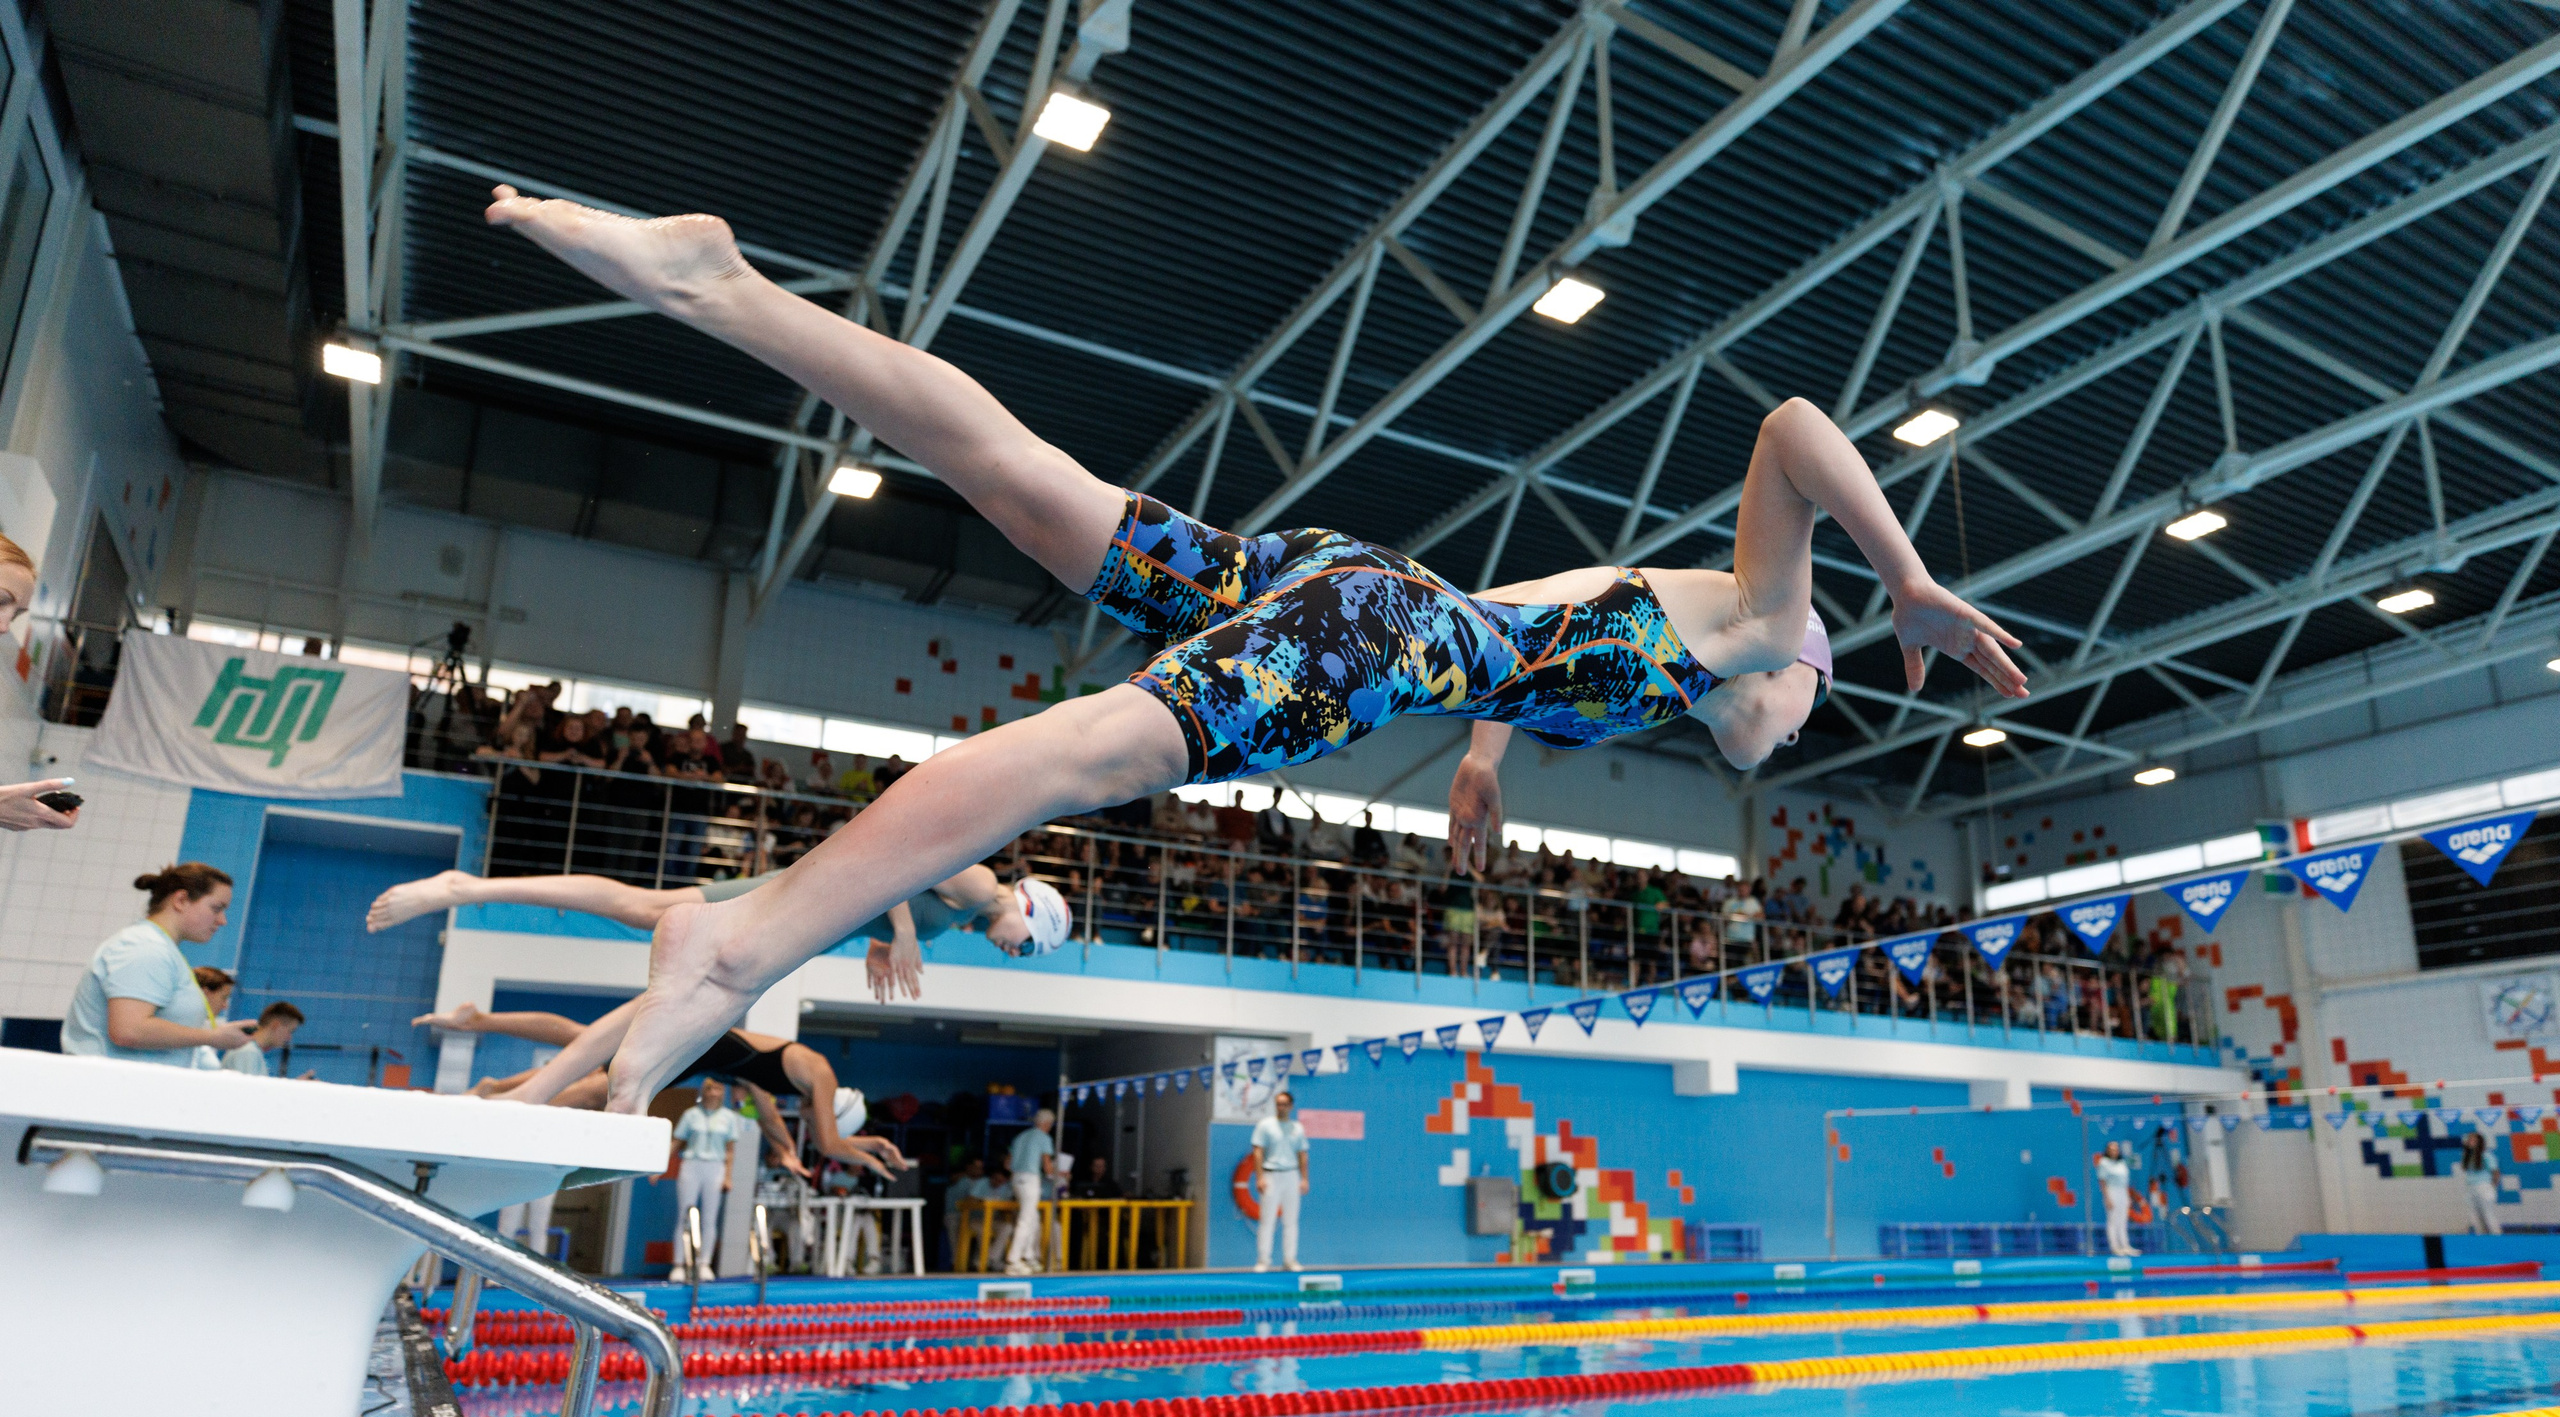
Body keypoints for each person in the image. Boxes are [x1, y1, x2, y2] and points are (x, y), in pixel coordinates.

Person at [478, 186, 2025, 1112]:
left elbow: (1535, 593)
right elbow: (1792, 425)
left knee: (1029, 490)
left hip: (1365, 593)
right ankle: (740, 941)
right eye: (1805, 713)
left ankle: (720, 285)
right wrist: (1909, 584)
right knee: (1086, 753)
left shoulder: (1669, 624)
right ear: (1794, 661)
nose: (1787, 741)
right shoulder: (1759, 617)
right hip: (1375, 634)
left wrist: (1485, 760)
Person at [366, 860, 1069, 1003]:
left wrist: (886, 947)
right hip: (797, 896)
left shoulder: (974, 914)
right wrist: (906, 931)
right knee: (645, 910)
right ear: (1030, 909)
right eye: (1028, 946)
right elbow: (895, 866)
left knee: (648, 918)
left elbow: (888, 901)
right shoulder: (983, 887)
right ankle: (469, 890)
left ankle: (474, 890)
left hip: (803, 916)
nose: (1016, 953)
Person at [418, 1003, 897, 1180]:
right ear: (833, 1110)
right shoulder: (822, 1074)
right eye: (822, 1121)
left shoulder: (799, 1077)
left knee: (586, 1044)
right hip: (698, 1044)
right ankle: (489, 1079)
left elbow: (769, 1112)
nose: (815, 1125)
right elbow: (831, 1145)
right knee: (591, 1077)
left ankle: (489, 1074)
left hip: (698, 1050)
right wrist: (868, 1153)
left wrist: (785, 1150)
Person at [61, 865, 258, 1066]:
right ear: (181, 900)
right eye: (216, 908)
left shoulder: (161, 949)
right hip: (111, 1087)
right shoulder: (145, 947)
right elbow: (129, 1030)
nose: (222, 921)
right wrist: (212, 1037)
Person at [667, 1079, 751, 1280]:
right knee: (684, 1214)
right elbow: (677, 1141)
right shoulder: (691, 1115)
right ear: (704, 1091)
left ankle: (704, 1263)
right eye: (710, 1088)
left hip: (715, 1167)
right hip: (692, 1164)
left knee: (709, 1218)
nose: (714, 1092)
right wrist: (659, 1166)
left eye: (719, 1088)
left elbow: (730, 1151)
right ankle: (678, 1264)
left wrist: (728, 1177)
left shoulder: (729, 1117)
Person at [1250, 1090, 1310, 1273]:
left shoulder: (1297, 1128)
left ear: (1290, 1106)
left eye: (1284, 1104)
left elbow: (1302, 1154)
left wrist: (1304, 1178)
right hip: (1271, 1175)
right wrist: (1259, 1177)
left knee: (1291, 1220)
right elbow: (1258, 1152)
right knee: (1267, 1220)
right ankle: (1263, 1260)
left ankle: (1290, 1259)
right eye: (1278, 1103)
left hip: (1291, 1175)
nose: (1281, 1107)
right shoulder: (1265, 1125)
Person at [1003, 1108, 1064, 1276]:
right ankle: (1013, 1260)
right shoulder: (1043, 1138)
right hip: (1030, 1179)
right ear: (1047, 1124)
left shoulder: (1021, 1136)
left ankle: (1029, 1256)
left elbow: (1007, 1164)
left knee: (1034, 1218)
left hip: (1016, 1178)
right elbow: (1047, 1167)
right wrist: (1061, 1174)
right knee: (1026, 1219)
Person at [220, 1001, 307, 1075]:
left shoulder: (253, 1051)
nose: (289, 1038)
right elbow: (248, 1093)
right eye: (290, 1031)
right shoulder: (248, 1051)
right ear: (276, 1025)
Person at [2456, 1131, 2503, 1235]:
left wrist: (2492, 1187)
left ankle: (2497, 1239)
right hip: (2470, 1188)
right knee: (2475, 1217)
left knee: (2488, 1214)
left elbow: (2495, 1173)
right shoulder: (2467, 1156)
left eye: (2473, 1140)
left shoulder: (2486, 1155)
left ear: (2479, 1142)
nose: (2470, 1141)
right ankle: (2482, 1240)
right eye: (2469, 1140)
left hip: (2484, 1187)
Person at [2093, 1139, 2134, 1258]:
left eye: (2116, 1149)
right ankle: (2115, 1247)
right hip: (2112, 1191)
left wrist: (2128, 1196)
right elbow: (2102, 1181)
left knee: (2123, 1219)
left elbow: (2125, 1182)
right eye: (2111, 1149)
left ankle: (2125, 1245)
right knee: (2113, 1220)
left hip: (2123, 1192)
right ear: (2107, 1151)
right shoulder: (2103, 1162)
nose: (2114, 1151)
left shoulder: (2122, 1163)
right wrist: (2107, 1198)